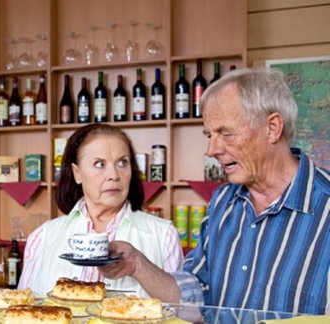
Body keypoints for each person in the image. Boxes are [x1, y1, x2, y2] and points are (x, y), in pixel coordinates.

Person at [99, 67, 330, 315]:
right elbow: (196, 295)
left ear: (272, 128)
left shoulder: (324, 207)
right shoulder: (223, 201)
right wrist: (136, 264)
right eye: (209, 135)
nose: (211, 150)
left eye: (225, 133)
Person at [18, 123, 183, 295]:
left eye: (122, 162)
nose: (114, 175)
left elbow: (184, 314)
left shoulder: (164, 236)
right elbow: (21, 313)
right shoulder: (41, 238)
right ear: (77, 173)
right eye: (99, 164)